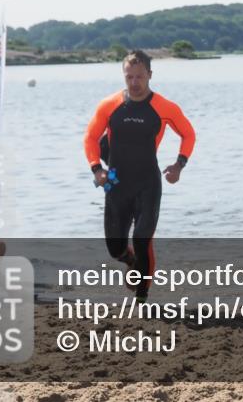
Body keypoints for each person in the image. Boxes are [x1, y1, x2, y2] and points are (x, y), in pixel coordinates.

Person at [84, 50, 196, 301]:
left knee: (143, 239)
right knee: (115, 249)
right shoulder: (110, 105)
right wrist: (96, 168)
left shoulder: (164, 107)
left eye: (139, 77)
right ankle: (131, 261)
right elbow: (91, 137)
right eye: (129, 77)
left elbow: (188, 134)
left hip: (148, 182)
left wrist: (179, 165)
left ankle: (142, 298)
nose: (134, 83)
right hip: (116, 184)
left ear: (150, 75)